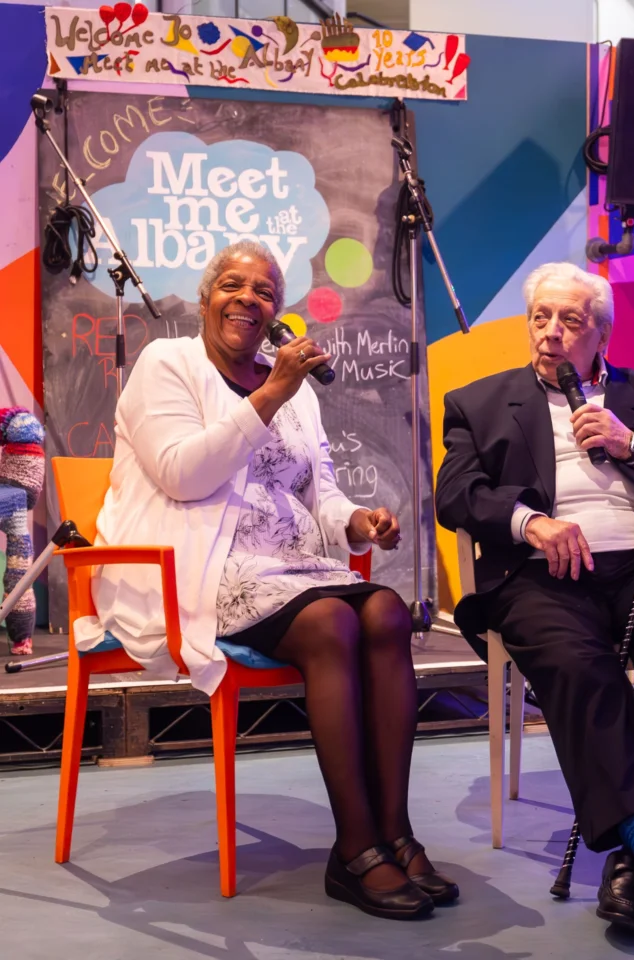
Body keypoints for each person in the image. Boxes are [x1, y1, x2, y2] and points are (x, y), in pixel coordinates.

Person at [78, 241, 457, 921]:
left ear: (276, 313)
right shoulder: (168, 365)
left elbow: (321, 496)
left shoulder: (299, 397)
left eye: (263, 291)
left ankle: (396, 832)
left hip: (294, 567)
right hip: (198, 564)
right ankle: (356, 848)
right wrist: (274, 390)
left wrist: (358, 523)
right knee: (333, 621)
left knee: (389, 612)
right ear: (204, 299)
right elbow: (182, 475)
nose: (247, 299)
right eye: (233, 285)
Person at [435, 262, 634, 935]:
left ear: (601, 334)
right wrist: (532, 522)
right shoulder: (480, 402)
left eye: (570, 321)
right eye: (541, 318)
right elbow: (456, 495)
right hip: (542, 575)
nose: (551, 333)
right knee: (581, 666)